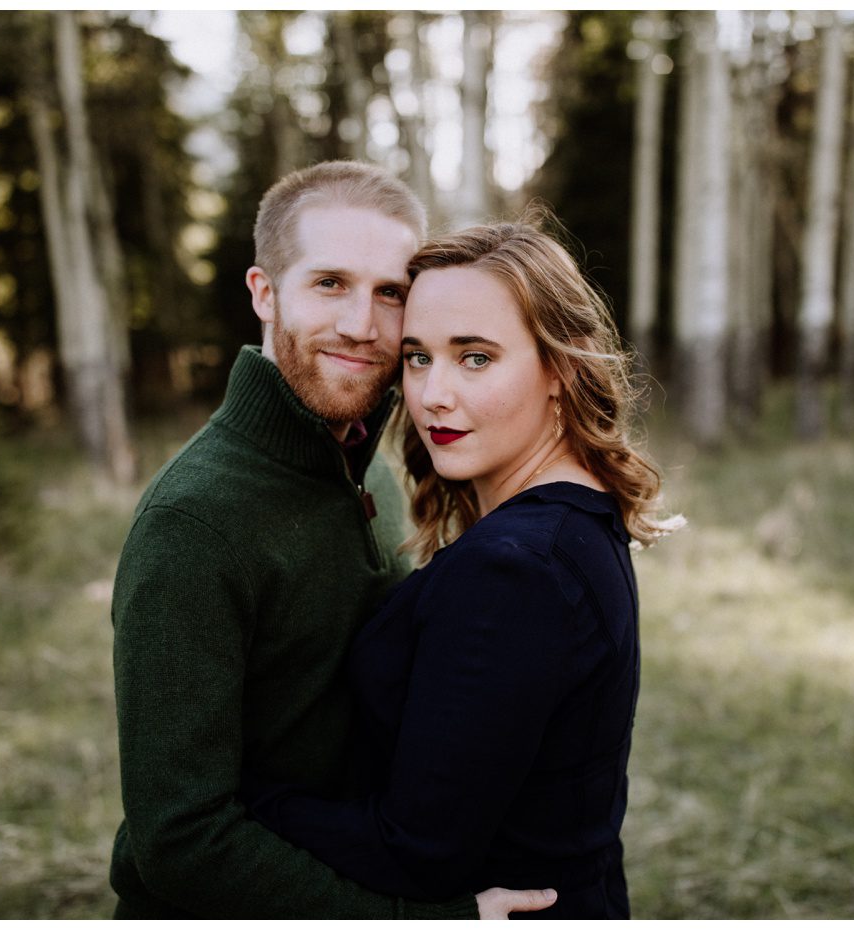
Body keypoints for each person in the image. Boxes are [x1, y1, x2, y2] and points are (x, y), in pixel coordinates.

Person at [108, 161, 554, 919]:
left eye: (389, 293)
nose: (362, 324)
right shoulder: (193, 526)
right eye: (329, 284)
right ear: (264, 292)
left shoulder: (369, 471)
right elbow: (182, 841)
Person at [241, 218, 681, 918]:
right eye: (417, 357)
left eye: (475, 357)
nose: (433, 395)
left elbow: (415, 848)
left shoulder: (515, 569)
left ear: (561, 370)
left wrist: (247, 802)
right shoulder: (579, 520)